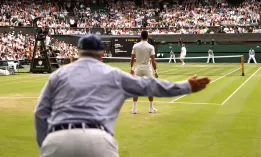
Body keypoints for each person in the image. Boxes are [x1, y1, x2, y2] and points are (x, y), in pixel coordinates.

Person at [34, 34, 211, 157]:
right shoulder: (113, 75)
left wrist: (48, 145)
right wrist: (186, 86)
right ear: (102, 54)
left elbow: (40, 114)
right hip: (97, 141)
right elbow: (150, 85)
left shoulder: (58, 75)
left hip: (56, 141)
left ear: (78, 52)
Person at [130, 31, 158, 114]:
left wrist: (131, 68)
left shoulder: (135, 46)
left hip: (138, 69)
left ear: (141, 37)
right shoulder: (150, 47)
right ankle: (151, 108)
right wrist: (155, 71)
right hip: (147, 69)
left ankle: (134, 109)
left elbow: (132, 59)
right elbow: (153, 60)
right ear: (147, 37)